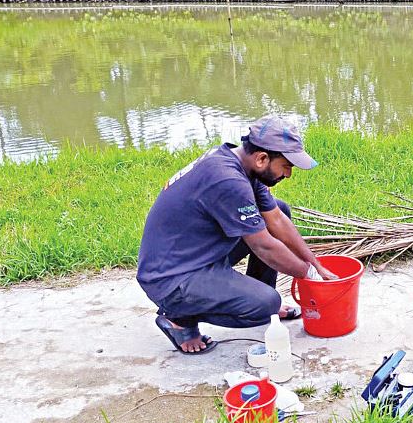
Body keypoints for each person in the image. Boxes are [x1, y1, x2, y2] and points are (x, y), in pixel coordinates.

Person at [137, 115, 335, 355]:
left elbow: (277, 220)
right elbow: (265, 247)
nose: (288, 174)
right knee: (266, 304)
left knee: (279, 209)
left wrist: (315, 264)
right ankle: (179, 317)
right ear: (262, 158)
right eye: (287, 166)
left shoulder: (243, 166)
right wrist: (309, 275)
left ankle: (257, 296)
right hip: (171, 277)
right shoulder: (228, 180)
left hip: (195, 254)